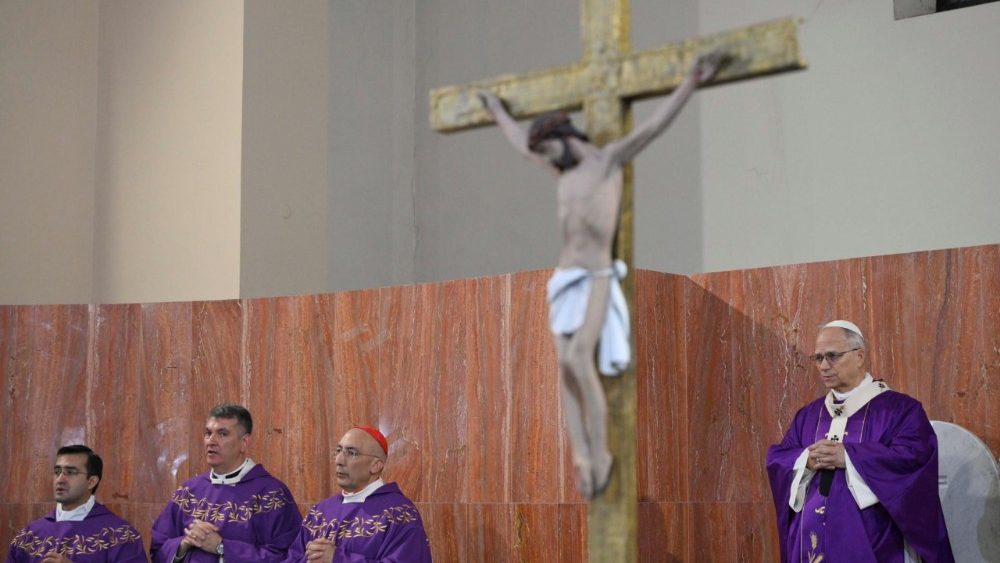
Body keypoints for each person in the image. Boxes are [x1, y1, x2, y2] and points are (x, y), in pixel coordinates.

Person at [478, 52, 724, 498]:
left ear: (565, 137)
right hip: (566, 274)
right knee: (563, 367)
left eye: (549, 148)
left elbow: (653, 128)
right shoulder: (560, 169)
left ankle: (601, 452)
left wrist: (691, 81)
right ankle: (581, 454)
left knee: (578, 359)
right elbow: (519, 143)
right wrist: (497, 112)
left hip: (596, 275)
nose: (545, 159)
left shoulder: (606, 161)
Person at [766, 320, 955, 562]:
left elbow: (915, 456)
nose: (824, 366)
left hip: (874, 541)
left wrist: (850, 457)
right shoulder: (808, 415)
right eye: (818, 358)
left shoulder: (899, 410)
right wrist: (806, 460)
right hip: (808, 544)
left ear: (860, 356)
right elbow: (779, 457)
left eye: (833, 356)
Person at [150, 404, 301, 562]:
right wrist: (183, 545)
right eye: (208, 433)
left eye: (222, 434)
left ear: (244, 442)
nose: (211, 441)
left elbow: (287, 556)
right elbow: (158, 547)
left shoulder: (271, 494)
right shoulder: (188, 491)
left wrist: (222, 547)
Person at [283, 426, 432, 562]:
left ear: (375, 465)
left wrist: (337, 558)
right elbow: (293, 557)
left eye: (352, 453)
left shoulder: (400, 514)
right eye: (339, 451)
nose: (339, 460)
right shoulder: (320, 512)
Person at [5, 444, 146, 562]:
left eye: (70, 472)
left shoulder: (120, 536)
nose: (60, 479)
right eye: (57, 471)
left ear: (91, 481)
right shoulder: (29, 535)